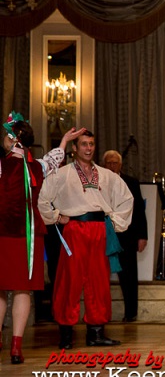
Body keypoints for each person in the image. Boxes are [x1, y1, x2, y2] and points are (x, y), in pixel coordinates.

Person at [0, 111, 85, 364]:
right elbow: (54, 158)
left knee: (1, 290)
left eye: (6, 135)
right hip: (28, 235)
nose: (4, 138)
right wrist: (64, 141)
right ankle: (16, 346)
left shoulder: (2, 166)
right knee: (22, 290)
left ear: (14, 139)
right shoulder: (37, 167)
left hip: (3, 232)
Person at [38, 131, 133, 349]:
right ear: (74, 148)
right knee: (69, 280)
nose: (88, 148)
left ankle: (96, 333)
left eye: (91, 144)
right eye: (83, 144)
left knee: (99, 281)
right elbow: (42, 199)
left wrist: (115, 223)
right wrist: (56, 217)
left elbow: (127, 199)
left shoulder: (107, 175)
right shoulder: (61, 174)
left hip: (100, 230)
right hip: (74, 230)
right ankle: (66, 335)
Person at [101, 150, 148, 322]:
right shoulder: (97, 181)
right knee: (101, 274)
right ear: (104, 164)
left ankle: (131, 313)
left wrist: (142, 236)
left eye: (115, 163)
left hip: (127, 235)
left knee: (128, 275)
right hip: (104, 233)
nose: (112, 166)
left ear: (120, 165)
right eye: (109, 163)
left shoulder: (131, 182)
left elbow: (139, 211)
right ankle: (100, 314)